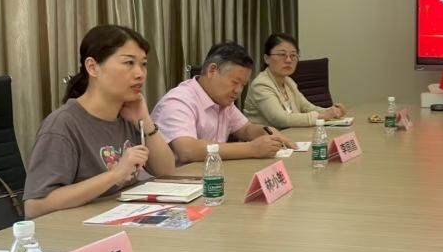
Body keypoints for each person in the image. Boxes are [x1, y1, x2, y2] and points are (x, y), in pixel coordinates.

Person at [23, 25, 176, 219]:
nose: (140, 73)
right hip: (82, 229)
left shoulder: (127, 115)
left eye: (143, 64)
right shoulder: (62, 126)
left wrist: (145, 121)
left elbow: (167, 172)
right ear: (92, 67)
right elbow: (35, 206)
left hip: (125, 218)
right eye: (129, 63)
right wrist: (114, 175)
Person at [151, 42, 295, 164]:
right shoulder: (179, 101)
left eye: (243, 85)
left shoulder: (222, 100)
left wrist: (266, 131)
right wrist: (252, 149)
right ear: (212, 70)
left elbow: (245, 129)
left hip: (210, 175)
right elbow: (188, 150)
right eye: (235, 82)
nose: (238, 91)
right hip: (176, 183)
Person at [244, 32, 347, 129]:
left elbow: (307, 108)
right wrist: (321, 116)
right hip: (265, 140)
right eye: (282, 55)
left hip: (289, 136)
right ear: (267, 58)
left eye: (293, 55)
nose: (288, 60)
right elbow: (280, 119)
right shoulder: (261, 84)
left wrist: (332, 111)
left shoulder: (288, 82)